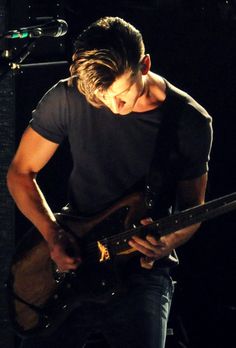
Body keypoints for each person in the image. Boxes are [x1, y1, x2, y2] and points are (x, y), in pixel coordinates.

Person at [7, 16, 212, 348]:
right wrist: (53, 235)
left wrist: (168, 242)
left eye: (121, 94)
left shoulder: (189, 120)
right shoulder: (68, 97)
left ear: (144, 65)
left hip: (141, 272)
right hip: (72, 258)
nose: (114, 107)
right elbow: (20, 173)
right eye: (101, 99)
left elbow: (193, 207)